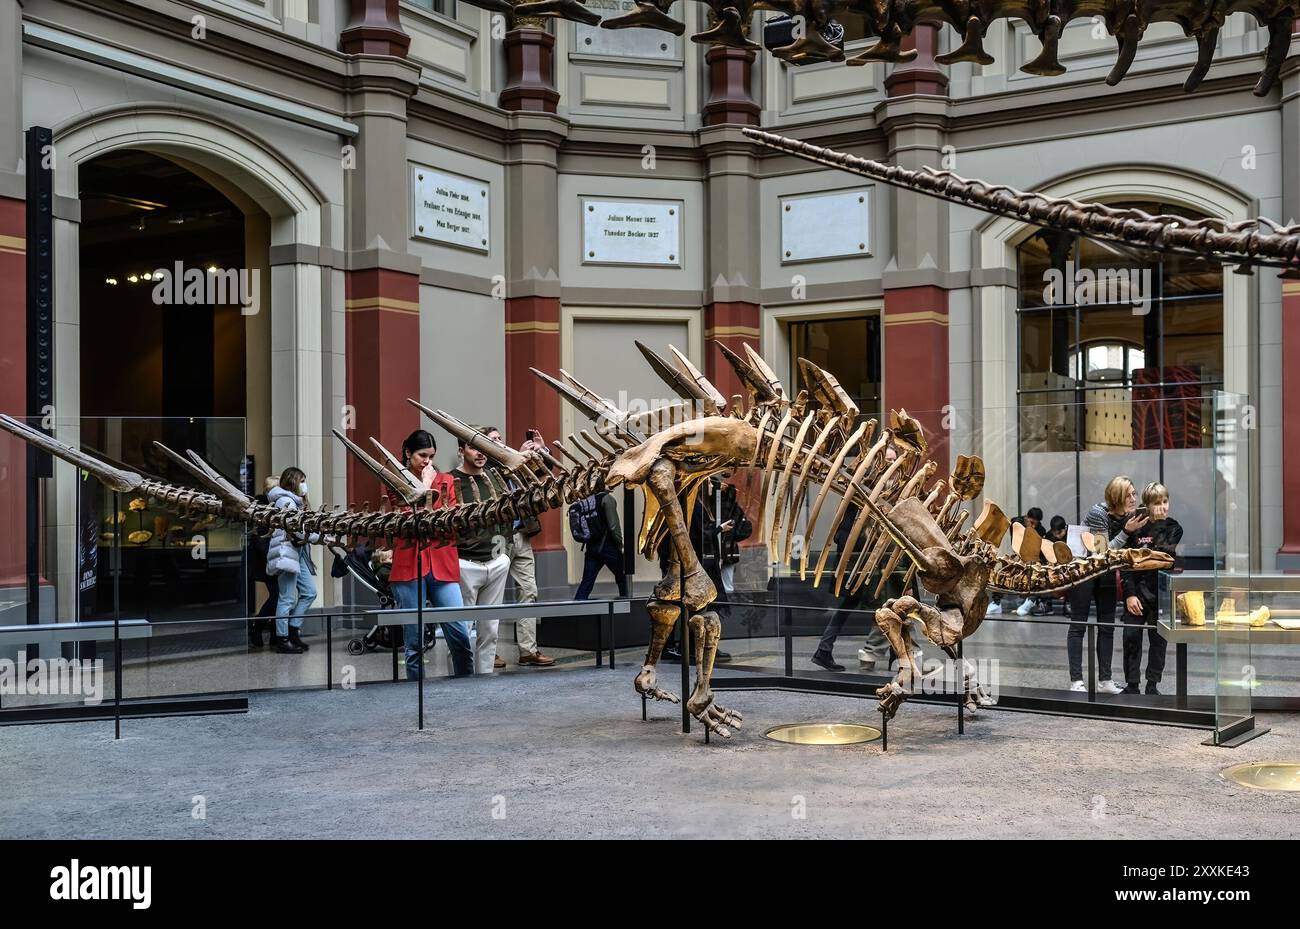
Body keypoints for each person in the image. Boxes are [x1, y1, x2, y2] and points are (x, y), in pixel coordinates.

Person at [389, 430, 473, 681]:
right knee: (414, 642)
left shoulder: (447, 480)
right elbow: (405, 521)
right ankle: (416, 696)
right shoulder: (395, 482)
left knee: (459, 635)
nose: (427, 461)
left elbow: (450, 522)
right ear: (408, 454)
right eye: (422, 455)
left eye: (431, 456)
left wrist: (426, 513)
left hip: (443, 565)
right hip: (408, 567)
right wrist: (424, 488)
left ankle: (467, 688)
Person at [1067, 475, 1149, 694]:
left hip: (1105, 574)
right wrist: (1127, 531)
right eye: (1129, 494)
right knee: (1078, 625)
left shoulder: (1129, 516)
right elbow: (1103, 552)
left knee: (1107, 626)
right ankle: (1076, 680)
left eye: (1134, 493)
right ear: (1117, 497)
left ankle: (1105, 680)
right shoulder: (1098, 513)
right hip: (1084, 571)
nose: (1133, 498)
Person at [485, 427, 554, 667]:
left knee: (529, 590)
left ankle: (528, 650)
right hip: (498, 538)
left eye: (499, 438)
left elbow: (542, 473)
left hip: (521, 534)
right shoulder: (486, 469)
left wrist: (541, 451)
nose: (498, 443)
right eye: (492, 440)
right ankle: (488, 651)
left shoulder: (514, 462)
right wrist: (518, 455)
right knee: (492, 594)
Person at [453, 427, 514, 674]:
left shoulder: (497, 480)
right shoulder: (448, 481)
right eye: (474, 447)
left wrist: (504, 553)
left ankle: (485, 683)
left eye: (484, 447)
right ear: (461, 450)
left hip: (496, 561)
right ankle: (460, 683)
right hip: (465, 563)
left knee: (490, 629)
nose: (481, 453)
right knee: (461, 630)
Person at [1121, 482, 1181, 695]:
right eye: (1157, 503)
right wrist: (1129, 595)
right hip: (1136, 594)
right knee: (1131, 636)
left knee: (1159, 641)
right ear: (1147, 505)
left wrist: (1158, 524)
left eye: (1165, 502)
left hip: (1160, 595)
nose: (1162, 507)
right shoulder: (1135, 527)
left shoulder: (1173, 527)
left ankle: (1152, 684)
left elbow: (1164, 556)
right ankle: (1132, 684)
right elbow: (1127, 563)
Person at [265, 467, 318, 655]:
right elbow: (296, 529)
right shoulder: (286, 501)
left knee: (309, 592)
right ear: (293, 482)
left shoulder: (295, 502)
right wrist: (317, 537)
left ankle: (293, 630)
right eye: (301, 480)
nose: (304, 485)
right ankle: (283, 638)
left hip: (297, 552)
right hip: (286, 552)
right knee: (286, 598)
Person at [573, 488, 628, 600]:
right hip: (609, 547)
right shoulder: (607, 499)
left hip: (592, 547)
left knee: (587, 582)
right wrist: (620, 544)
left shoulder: (588, 501)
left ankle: (577, 611)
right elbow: (613, 526)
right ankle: (626, 606)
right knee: (623, 577)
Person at [988, 507, 1043, 615]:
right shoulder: (1016, 522)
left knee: (1036, 576)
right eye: (1031, 522)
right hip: (1018, 555)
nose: (1033, 525)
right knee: (1002, 574)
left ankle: (1030, 601)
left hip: (1031, 558)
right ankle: (996, 602)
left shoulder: (1041, 530)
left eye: (1035, 524)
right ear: (1027, 517)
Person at [246, 476, 279, 648]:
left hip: (272, 558)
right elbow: (259, 538)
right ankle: (258, 627)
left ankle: (273, 633)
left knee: (279, 596)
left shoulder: (276, 507)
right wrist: (274, 556)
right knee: (277, 596)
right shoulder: (261, 508)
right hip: (266, 560)